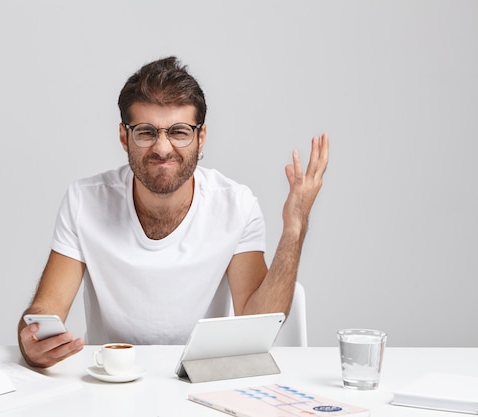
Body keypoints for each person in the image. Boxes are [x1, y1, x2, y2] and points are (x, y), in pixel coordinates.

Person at [18, 56, 329, 368]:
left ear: (200, 137)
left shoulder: (236, 205)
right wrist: (32, 339)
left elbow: (257, 323)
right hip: (112, 382)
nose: (163, 148)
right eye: (146, 132)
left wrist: (295, 229)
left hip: (201, 380)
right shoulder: (84, 201)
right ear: (125, 137)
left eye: (179, 132)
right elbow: (47, 308)